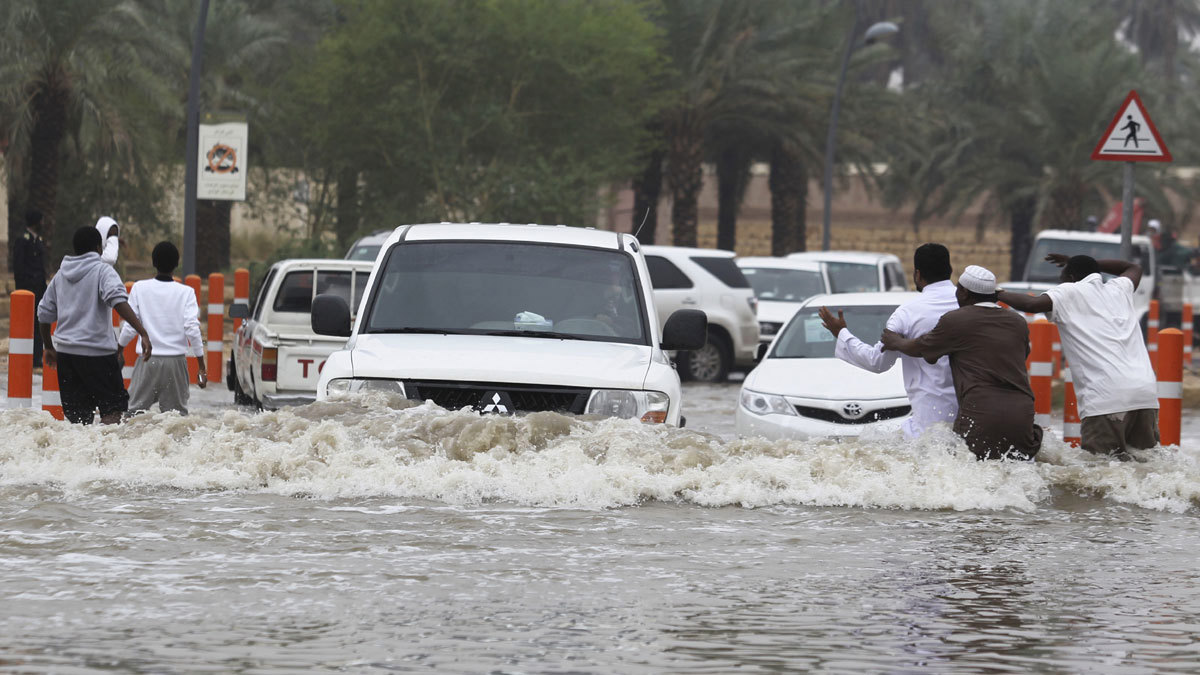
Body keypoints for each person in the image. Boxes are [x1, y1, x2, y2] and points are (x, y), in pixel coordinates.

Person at [998, 255, 1158, 459]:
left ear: (1071, 277)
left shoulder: (1069, 291)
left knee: (1099, 473)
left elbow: (1031, 304)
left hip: (1106, 398)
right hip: (1145, 394)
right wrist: (1087, 262)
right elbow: (1133, 266)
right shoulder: (1119, 289)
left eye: (1062, 277)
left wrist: (997, 293)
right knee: (1146, 467)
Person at [882, 265, 1042, 460]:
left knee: (973, 477)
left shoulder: (956, 320)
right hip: (1022, 416)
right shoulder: (1017, 321)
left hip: (981, 415)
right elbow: (1021, 355)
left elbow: (923, 350)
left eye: (957, 289)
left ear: (965, 293)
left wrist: (896, 342)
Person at [817, 243, 959, 439]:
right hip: (974, 416)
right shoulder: (970, 305)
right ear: (950, 270)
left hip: (928, 423)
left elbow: (878, 362)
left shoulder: (907, 313)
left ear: (917, 274)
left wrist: (841, 333)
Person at [36, 226, 153, 424]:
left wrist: (48, 346)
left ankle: (82, 454)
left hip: (67, 356)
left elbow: (43, 314)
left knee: (77, 419)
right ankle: (105, 454)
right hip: (98, 354)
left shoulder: (60, 276)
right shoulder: (103, 271)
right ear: (99, 247)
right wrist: (142, 331)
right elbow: (118, 301)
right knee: (112, 410)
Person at [119, 242, 206, 415]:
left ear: (153, 263)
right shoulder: (186, 292)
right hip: (175, 363)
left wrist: (119, 349)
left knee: (133, 416)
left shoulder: (139, 288)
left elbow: (130, 326)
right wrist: (201, 365)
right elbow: (192, 329)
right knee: (177, 420)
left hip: (146, 361)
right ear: (176, 265)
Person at [12, 210, 49, 367]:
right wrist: (23, 289)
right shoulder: (23, 241)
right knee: (28, 324)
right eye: (41, 221)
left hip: (39, 290)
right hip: (27, 291)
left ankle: (37, 357)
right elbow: (19, 267)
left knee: (39, 322)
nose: (43, 224)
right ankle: (29, 357)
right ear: (35, 222)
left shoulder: (38, 240)